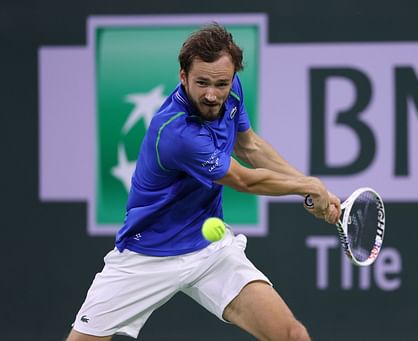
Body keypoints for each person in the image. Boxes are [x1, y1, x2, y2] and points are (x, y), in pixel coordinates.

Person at [67, 22, 340, 341]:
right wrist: (308, 187)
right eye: (202, 83)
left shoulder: (230, 91)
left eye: (221, 83)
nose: (212, 94)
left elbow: (249, 146)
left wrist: (310, 187)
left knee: (292, 335)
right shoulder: (176, 133)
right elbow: (245, 181)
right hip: (147, 255)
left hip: (209, 249)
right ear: (182, 77)